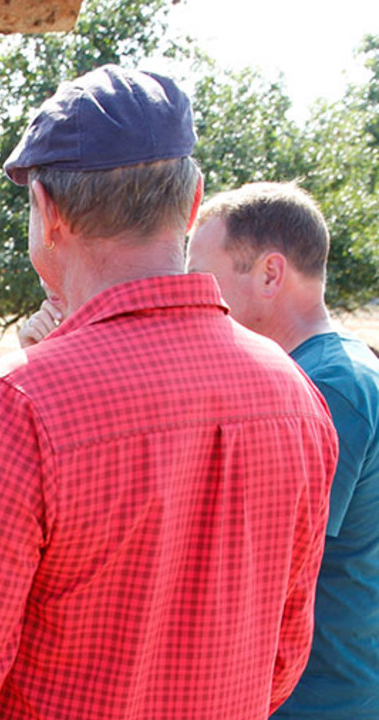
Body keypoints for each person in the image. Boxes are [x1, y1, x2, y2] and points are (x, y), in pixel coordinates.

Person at [0, 65, 337, 719]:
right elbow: (284, 656)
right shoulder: (296, 394)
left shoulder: (22, 402)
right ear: (195, 200)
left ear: (49, 214)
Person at [188, 181, 379, 719]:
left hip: (318, 698)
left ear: (270, 274)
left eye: (203, 276)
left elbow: (256, 555)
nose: (193, 295)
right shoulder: (321, 372)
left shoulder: (331, 386)